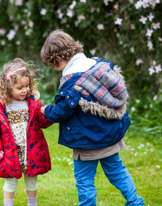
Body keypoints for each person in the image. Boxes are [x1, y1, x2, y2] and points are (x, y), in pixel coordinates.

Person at [40, 29, 144, 206]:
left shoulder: (72, 82)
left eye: (53, 65)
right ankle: (135, 202)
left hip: (86, 141)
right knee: (117, 171)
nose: (55, 69)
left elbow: (61, 112)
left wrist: (45, 110)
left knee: (84, 180)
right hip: (110, 135)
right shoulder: (98, 65)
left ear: (58, 59)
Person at [0, 58, 52, 206]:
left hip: (31, 150)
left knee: (32, 181)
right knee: (10, 183)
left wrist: (49, 115)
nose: (25, 90)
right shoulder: (1, 109)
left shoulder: (32, 104)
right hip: (10, 152)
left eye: (27, 86)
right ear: (8, 88)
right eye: (20, 87)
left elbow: (42, 121)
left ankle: (32, 204)